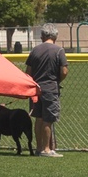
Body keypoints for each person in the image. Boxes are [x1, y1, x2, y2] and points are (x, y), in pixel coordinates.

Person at [26, 25, 68, 156]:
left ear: (42, 36)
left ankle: (38, 149)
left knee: (38, 118)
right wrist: (57, 81)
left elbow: (28, 72)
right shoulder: (59, 50)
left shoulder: (35, 50)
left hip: (35, 90)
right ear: (55, 36)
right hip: (50, 89)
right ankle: (47, 149)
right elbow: (64, 71)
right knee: (48, 119)